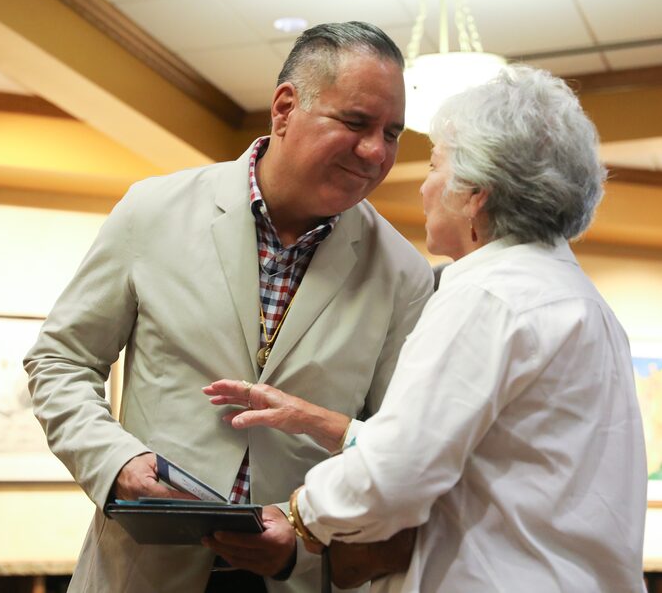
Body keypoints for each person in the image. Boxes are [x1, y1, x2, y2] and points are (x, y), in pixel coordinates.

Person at [23, 20, 434, 593]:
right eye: (356, 123)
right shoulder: (153, 211)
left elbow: (400, 447)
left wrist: (303, 546)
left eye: (392, 133)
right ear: (285, 108)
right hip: (141, 572)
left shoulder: (404, 273)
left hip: (299, 575)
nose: (375, 152)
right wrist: (114, 463)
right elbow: (60, 360)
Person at [209, 64, 647, 592]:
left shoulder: (485, 296)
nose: (423, 186)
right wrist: (328, 425)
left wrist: (302, 514)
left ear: (475, 193)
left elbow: (398, 474)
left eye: (435, 165)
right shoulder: (579, 300)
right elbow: (498, 458)